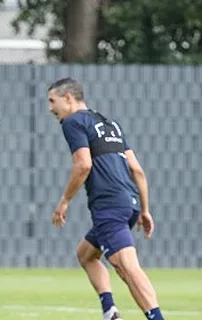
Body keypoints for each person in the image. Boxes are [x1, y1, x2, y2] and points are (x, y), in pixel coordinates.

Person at [48, 77, 164, 320]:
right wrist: (144, 210)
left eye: (52, 101)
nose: (51, 108)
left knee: (127, 267)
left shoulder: (73, 121)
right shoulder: (110, 125)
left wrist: (64, 201)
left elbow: (83, 165)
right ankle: (110, 310)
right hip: (129, 203)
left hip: (109, 206)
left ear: (68, 98)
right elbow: (137, 170)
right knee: (86, 255)